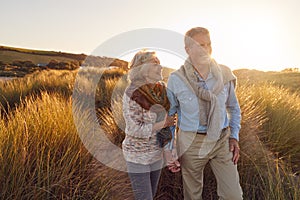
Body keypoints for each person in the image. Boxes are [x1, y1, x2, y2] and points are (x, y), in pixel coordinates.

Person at [167, 27, 243, 199]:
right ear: (187, 50)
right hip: (191, 143)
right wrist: (170, 148)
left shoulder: (224, 73)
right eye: (200, 45)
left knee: (233, 195)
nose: (206, 49)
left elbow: (233, 107)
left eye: (208, 44)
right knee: (192, 195)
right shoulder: (176, 79)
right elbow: (170, 118)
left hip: (221, 141)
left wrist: (234, 136)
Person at [122, 50, 180, 200]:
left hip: (156, 154)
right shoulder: (132, 94)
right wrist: (162, 123)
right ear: (142, 68)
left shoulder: (161, 88)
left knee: (151, 195)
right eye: (155, 64)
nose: (160, 67)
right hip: (137, 156)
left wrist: (169, 153)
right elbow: (135, 129)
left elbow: (170, 123)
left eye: (160, 63)